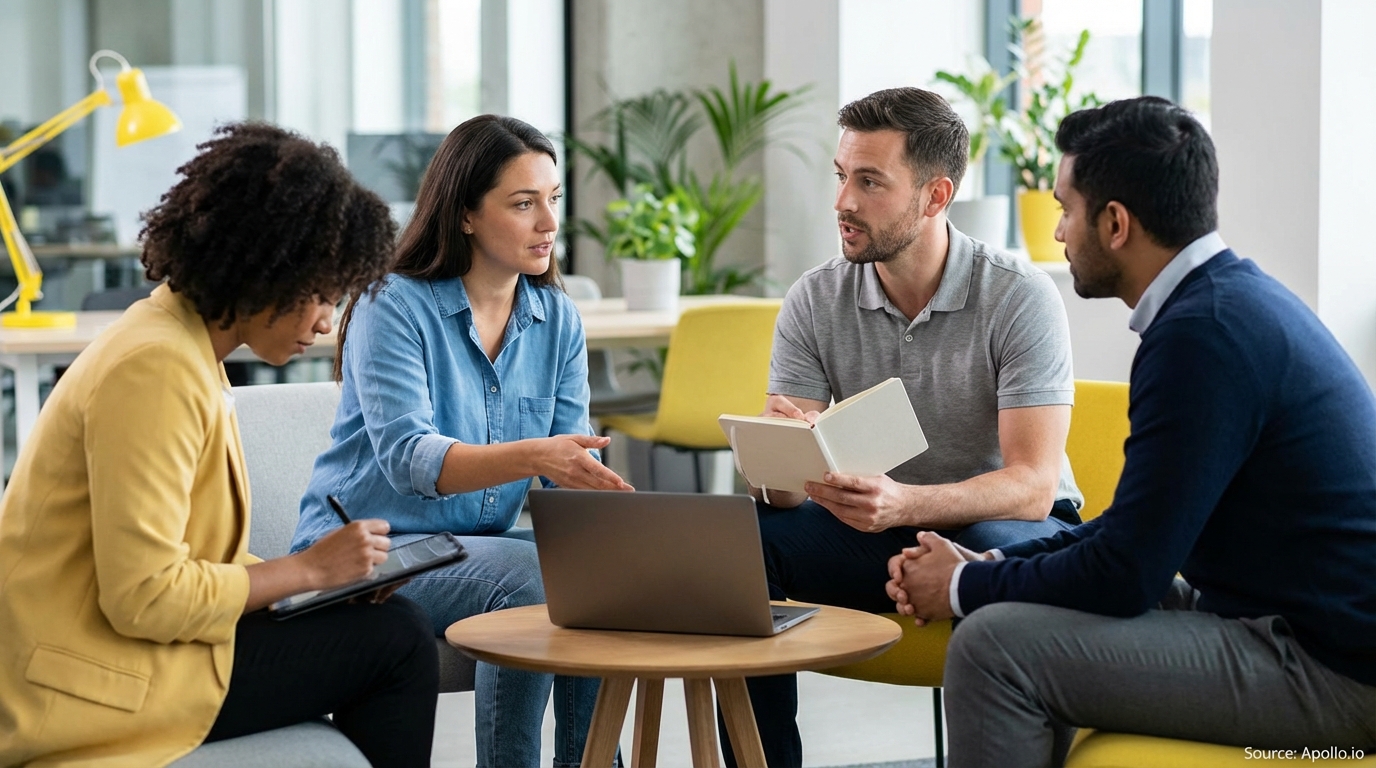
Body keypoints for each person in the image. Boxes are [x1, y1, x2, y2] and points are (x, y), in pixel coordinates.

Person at [889, 96, 1376, 767]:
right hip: (1285, 622)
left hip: (1332, 672)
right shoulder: (1227, 304)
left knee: (992, 646)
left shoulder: (1202, 336)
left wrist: (958, 589)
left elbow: (1126, 574)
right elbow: (1137, 532)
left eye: (1065, 209)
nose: (1059, 232)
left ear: (1116, 223)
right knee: (1023, 614)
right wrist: (993, 565)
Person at [0, 123, 439, 768]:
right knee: (397, 642)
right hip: (87, 684)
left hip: (117, 654)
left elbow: (191, 554)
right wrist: (309, 572)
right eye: (318, 293)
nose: (324, 323)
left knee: (387, 626)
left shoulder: (175, 344)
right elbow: (146, 597)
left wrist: (316, 590)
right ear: (265, 269)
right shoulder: (153, 369)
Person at [728, 86, 1086, 767]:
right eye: (841, 177)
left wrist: (907, 502)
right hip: (875, 532)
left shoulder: (1019, 296)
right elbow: (790, 499)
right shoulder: (815, 297)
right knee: (743, 541)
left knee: (995, 547)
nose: (843, 203)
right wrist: (776, 467)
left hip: (1008, 526)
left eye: (870, 183)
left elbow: (1033, 487)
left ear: (934, 196)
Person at [290, 114, 633, 768]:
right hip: (370, 550)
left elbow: (570, 469)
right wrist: (536, 454)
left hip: (471, 547)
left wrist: (618, 519)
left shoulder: (556, 316)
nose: (548, 224)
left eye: (553, 201)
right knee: (530, 579)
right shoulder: (392, 303)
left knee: (597, 574)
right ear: (467, 214)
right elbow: (410, 459)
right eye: (523, 203)